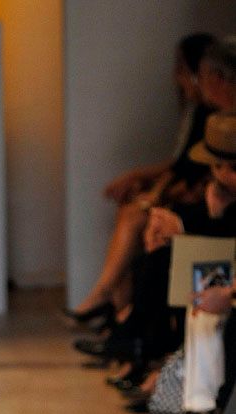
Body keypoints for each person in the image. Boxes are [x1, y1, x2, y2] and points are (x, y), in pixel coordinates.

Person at [65, 32, 217, 325]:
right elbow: (184, 165)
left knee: (137, 220)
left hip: (203, 204)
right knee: (133, 216)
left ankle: (110, 304)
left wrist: (157, 192)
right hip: (198, 198)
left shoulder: (210, 117)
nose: (177, 77)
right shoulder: (199, 113)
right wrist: (148, 184)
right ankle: (118, 313)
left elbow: (189, 170)